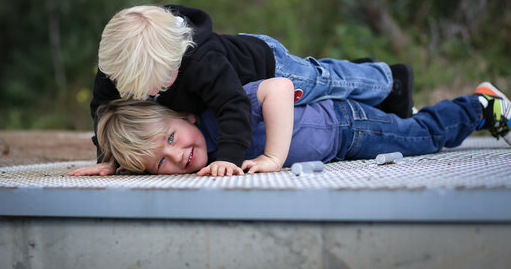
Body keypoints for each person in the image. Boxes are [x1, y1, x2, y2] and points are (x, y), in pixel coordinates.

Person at [90, 4, 413, 176]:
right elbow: (103, 112)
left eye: (166, 78)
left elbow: (232, 105)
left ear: (179, 53)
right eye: (147, 88)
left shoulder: (203, 61)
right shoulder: (117, 68)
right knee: (324, 92)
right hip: (244, 86)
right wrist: (106, 157)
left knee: (326, 80)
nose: (158, 90)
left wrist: (229, 159)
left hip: (265, 65)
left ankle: (388, 81)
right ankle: (367, 83)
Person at [70, 80, 511, 177]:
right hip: (339, 145)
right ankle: (475, 110)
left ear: (183, 116)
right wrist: (110, 164)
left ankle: (481, 104)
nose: (177, 155)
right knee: (419, 135)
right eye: (159, 164)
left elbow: (278, 88)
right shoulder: (192, 147)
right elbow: (146, 152)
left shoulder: (225, 112)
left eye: (171, 139)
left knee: (424, 137)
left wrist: (272, 158)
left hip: (346, 127)